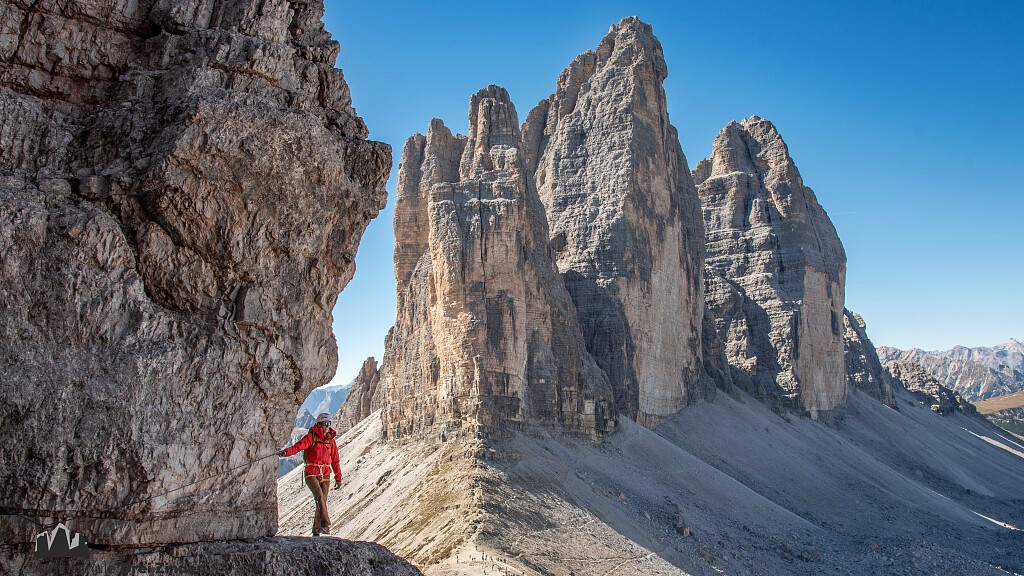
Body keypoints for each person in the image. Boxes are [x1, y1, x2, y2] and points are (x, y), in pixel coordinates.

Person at [280, 412, 341, 536]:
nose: (327, 426)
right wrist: (286, 452)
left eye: (329, 423)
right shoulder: (311, 437)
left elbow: (335, 460)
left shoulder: (331, 442)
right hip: (311, 473)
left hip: (325, 474)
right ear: (319, 424)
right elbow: (298, 447)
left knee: (322, 500)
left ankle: (316, 531)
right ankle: (325, 525)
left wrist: (338, 478)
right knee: (319, 497)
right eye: (324, 423)